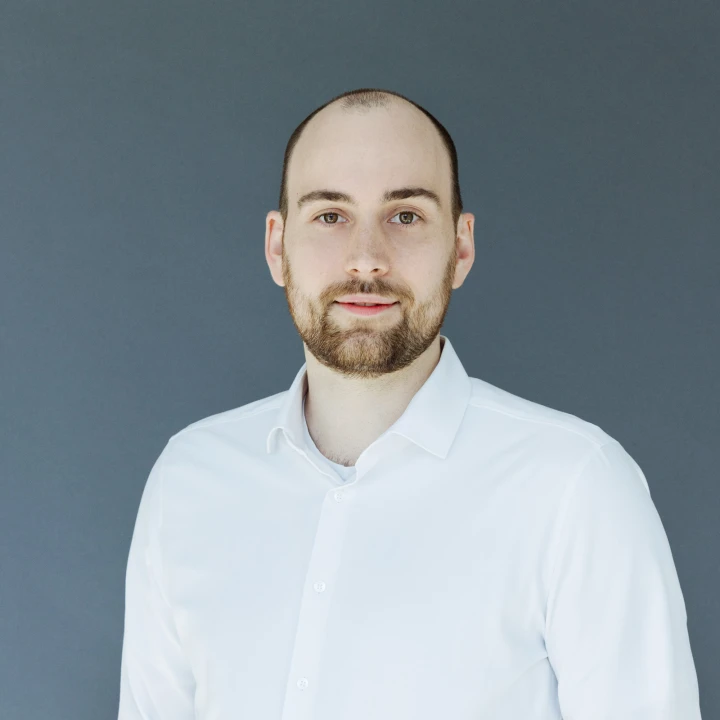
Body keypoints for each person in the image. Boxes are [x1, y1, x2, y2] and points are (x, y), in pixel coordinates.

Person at [117, 88, 702, 719]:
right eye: (330, 216)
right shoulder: (189, 477)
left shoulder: (575, 486)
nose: (366, 259)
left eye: (405, 216)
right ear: (277, 247)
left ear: (461, 247)